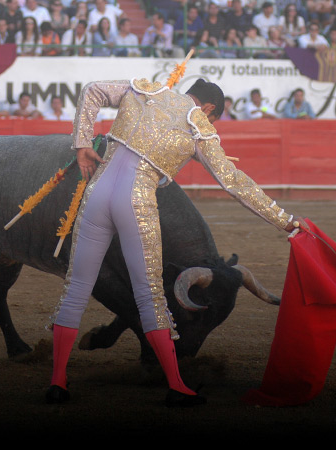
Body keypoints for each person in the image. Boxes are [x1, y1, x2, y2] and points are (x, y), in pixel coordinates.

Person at [45, 76, 306, 407]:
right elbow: (234, 181)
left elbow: (92, 90)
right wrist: (285, 220)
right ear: (208, 108)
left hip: (96, 195)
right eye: (214, 118)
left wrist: (82, 143)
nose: (211, 123)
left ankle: (57, 382)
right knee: (150, 295)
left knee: (76, 288)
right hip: (135, 202)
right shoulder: (197, 124)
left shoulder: (145, 90)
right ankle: (176, 386)